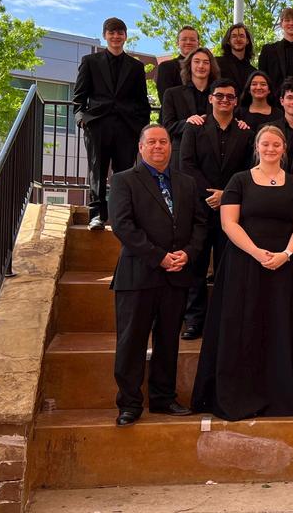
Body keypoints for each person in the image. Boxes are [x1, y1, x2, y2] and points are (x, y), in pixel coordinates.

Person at [191, 125, 293, 419]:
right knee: (244, 325)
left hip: (284, 266)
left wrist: (286, 254)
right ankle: (241, 394)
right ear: (257, 147)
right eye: (265, 144)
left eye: (276, 144)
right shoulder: (239, 180)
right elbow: (229, 223)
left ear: (283, 149)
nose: (270, 149)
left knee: (280, 325)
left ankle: (279, 396)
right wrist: (256, 252)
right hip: (244, 264)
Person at [108, 124, 207, 426]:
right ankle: (129, 403)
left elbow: (200, 223)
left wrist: (188, 253)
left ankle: (164, 398)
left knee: (168, 341)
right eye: (151, 142)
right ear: (141, 147)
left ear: (170, 147)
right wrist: (158, 257)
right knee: (132, 343)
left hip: (176, 275)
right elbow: (122, 225)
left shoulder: (186, 183)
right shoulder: (124, 180)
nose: (158, 147)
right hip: (138, 276)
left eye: (163, 142)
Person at [178, 79, 255, 340]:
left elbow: (247, 170)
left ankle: (223, 321)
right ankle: (194, 320)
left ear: (236, 101)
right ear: (210, 98)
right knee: (196, 267)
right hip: (199, 208)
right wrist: (211, 194)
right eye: (219, 96)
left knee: (227, 267)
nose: (224, 100)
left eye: (230, 97)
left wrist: (226, 195)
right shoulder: (194, 128)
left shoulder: (245, 133)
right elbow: (186, 164)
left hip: (231, 209)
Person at [72, 17, 152, 230]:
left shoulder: (136, 67)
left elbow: (142, 101)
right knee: (96, 170)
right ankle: (97, 216)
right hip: (97, 124)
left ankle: (120, 216)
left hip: (127, 127)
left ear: (125, 36)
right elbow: (79, 97)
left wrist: (141, 128)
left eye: (120, 32)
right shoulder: (90, 62)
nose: (116, 36)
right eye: (111, 32)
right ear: (105, 35)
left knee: (124, 173)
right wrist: (81, 119)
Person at [161, 47, 221, 167]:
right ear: (189, 65)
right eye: (196, 61)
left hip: (212, 156)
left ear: (211, 67)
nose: (201, 66)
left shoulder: (220, 95)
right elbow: (168, 126)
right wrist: (187, 122)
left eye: (206, 62)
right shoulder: (172, 93)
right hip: (181, 156)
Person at [154, 26, 199, 103]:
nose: (188, 42)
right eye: (184, 39)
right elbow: (165, 100)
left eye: (192, 40)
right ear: (177, 43)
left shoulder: (207, 67)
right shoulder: (166, 67)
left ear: (198, 43)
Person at [215, 23, 257, 94]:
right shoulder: (217, 63)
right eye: (234, 36)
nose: (238, 39)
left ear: (247, 41)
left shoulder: (253, 71)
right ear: (228, 41)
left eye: (242, 36)